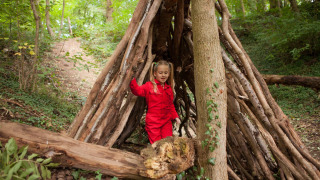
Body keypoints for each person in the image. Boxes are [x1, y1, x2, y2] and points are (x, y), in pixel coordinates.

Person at [130, 60, 181, 144]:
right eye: (160, 73)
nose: (163, 75)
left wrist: (176, 117)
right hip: (153, 122)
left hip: (166, 121)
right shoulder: (149, 86)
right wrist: (132, 79)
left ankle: (166, 157)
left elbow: (170, 105)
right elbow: (137, 91)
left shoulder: (168, 89)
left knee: (167, 143)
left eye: (166, 73)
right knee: (156, 144)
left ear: (169, 74)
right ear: (155, 73)